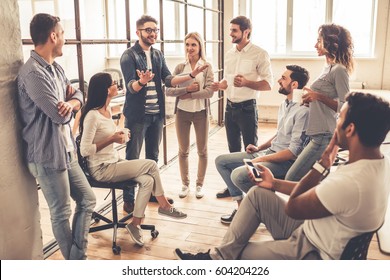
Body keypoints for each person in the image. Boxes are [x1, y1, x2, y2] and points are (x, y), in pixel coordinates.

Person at [174, 92, 390, 260]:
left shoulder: (349, 182)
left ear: (350, 129)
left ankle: (219, 259)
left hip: (311, 251)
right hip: (314, 229)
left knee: (237, 256)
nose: (335, 124)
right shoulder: (378, 164)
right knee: (258, 193)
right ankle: (218, 257)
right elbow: (319, 193)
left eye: (339, 118)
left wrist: (322, 164)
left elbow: (293, 207)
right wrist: (274, 183)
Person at [17, 13, 96, 260]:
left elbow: (80, 94)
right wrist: (71, 105)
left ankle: (75, 259)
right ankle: (77, 262)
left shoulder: (56, 68)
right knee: (61, 212)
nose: (64, 38)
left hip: (66, 149)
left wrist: (72, 102)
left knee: (88, 199)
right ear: (53, 36)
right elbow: (58, 115)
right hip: (46, 155)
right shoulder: (33, 74)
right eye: (62, 34)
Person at [79, 72, 187, 247]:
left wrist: (121, 135)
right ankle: (165, 206)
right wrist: (112, 139)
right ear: (106, 90)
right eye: (114, 83)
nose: (117, 85)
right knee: (151, 164)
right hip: (101, 169)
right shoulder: (92, 115)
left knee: (147, 180)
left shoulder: (106, 111)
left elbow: (108, 138)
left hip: (114, 161)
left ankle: (135, 224)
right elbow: (84, 150)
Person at [120, 15, 208, 213]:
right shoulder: (129, 55)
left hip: (156, 115)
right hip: (137, 117)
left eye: (155, 30)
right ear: (138, 33)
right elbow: (131, 87)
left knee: (153, 158)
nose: (153, 34)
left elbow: (168, 79)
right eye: (148, 30)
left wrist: (191, 75)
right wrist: (141, 82)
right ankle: (128, 199)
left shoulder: (158, 54)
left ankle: (152, 193)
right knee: (132, 159)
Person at [215, 65, 310, 224]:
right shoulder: (284, 105)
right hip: (269, 153)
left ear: (294, 85)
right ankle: (242, 207)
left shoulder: (303, 111)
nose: (279, 81)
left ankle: (265, 209)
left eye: (283, 78)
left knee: (238, 175)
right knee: (221, 161)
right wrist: (259, 149)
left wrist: (259, 160)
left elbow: (293, 152)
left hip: (284, 162)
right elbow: (280, 135)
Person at [213, 15, 273, 199]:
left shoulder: (260, 53)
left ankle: (255, 190)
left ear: (246, 32)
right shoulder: (230, 54)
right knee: (233, 150)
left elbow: (268, 84)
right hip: (230, 108)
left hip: (247, 109)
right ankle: (234, 188)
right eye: (230, 30)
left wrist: (247, 82)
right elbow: (228, 80)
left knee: (250, 150)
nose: (230, 34)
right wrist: (221, 85)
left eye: (234, 30)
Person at [285, 23, 354, 181]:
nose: (315, 45)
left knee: (292, 177)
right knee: (313, 181)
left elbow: (346, 106)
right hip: (316, 133)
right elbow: (325, 97)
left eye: (319, 41)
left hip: (324, 135)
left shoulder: (339, 70)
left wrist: (319, 97)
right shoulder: (327, 68)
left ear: (329, 43)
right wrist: (312, 97)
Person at [165, 32, 217, 199]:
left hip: (200, 113)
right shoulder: (180, 67)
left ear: (200, 46)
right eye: (187, 44)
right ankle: (185, 184)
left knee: (202, 150)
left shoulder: (207, 66)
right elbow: (169, 90)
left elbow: (210, 92)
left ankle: (199, 185)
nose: (190, 48)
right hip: (182, 113)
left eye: (193, 45)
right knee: (183, 150)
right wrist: (186, 90)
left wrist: (192, 95)